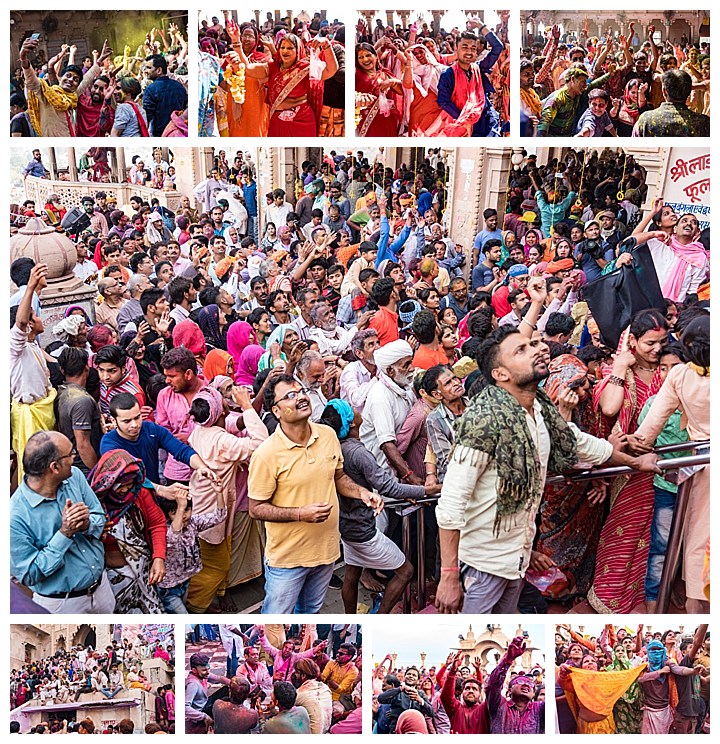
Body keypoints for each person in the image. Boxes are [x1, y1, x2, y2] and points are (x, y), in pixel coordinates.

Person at [435, 281, 659, 614]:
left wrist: (625, 459)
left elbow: (574, 441)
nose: (537, 350)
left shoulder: (537, 408)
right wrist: (449, 576)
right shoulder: (484, 422)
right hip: (481, 566)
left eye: (534, 345)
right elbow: (451, 503)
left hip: (516, 557)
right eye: (523, 351)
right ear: (501, 374)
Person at [248, 375, 380, 613]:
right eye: (289, 395)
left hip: (326, 551)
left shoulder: (327, 436)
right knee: (276, 623)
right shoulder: (266, 455)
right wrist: (300, 514)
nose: (299, 397)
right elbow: (256, 508)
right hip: (287, 560)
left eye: (301, 391)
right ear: (276, 411)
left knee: (309, 616)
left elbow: (338, 477)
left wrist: (362, 493)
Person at [10, 431, 115, 613]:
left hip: (101, 589)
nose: (75, 457)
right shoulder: (14, 517)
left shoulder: (75, 477)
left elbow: (100, 519)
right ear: (55, 467)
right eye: (71, 453)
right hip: (62, 605)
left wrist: (86, 524)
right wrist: (64, 534)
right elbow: (28, 575)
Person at [88, 449, 166, 613]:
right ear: (108, 482)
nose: (125, 490)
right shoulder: (92, 502)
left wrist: (159, 557)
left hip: (144, 572)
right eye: (120, 486)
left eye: (129, 485)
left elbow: (157, 523)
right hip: (109, 578)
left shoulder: (140, 493)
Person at [440, 651, 488, 733]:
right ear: (462, 692)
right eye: (467, 688)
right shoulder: (456, 708)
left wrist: (478, 671)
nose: (470, 691)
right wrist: (453, 671)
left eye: (474, 689)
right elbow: (446, 696)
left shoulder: (485, 710)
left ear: (480, 694)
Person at [142, 54, 188, 136]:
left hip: (160, 136)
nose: (145, 71)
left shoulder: (150, 90)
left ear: (159, 70)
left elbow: (147, 118)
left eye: (149, 68)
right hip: (178, 133)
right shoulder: (179, 86)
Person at [185, 653, 230, 734]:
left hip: (206, 703)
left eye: (208, 668)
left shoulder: (203, 674)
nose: (208, 672)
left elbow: (218, 678)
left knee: (228, 689)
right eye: (204, 670)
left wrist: (233, 683)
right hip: (201, 711)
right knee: (226, 699)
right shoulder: (193, 684)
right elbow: (185, 708)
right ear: (194, 670)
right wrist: (204, 717)